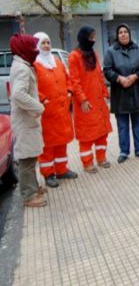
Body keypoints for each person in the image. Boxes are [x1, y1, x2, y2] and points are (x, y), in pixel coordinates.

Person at [33, 32, 77, 188]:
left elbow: (68, 78)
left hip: (63, 109)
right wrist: (43, 99)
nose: (46, 46)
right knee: (48, 146)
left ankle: (61, 169)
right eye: (43, 43)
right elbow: (33, 88)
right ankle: (48, 174)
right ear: (37, 45)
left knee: (62, 142)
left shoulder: (57, 61)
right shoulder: (35, 65)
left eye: (48, 42)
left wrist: (70, 91)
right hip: (47, 113)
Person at [9, 33, 47, 207]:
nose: (36, 51)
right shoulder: (22, 67)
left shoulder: (23, 64)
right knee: (26, 159)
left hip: (27, 120)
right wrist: (38, 107)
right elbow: (18, 94)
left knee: (31, 156)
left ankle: (34, 187)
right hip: (25, 121)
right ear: (25, 49)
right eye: (33, 47)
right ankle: (28, 195)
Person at [103, 24, 139, 163]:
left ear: (129, 34)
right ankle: (124, 151)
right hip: (120, 93)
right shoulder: (111, 51)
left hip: (136, 92)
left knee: (137, 124)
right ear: (117, 36)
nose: (123, 34)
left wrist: (135, 76)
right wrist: (119, 78)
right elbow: (107, 70)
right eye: (120, 32)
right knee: (122, 126)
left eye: (125, 32)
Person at [69, 26, 112, 173]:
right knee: (87, 136)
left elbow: (100, 76)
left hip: (99, 102)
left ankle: (101, 158)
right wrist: (83, 100)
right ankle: (87, 163)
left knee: (101, 133)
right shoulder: (74, 56)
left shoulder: (93, 54)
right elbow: (74, 81)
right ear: (83, 37)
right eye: (91, 37)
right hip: (86, 103)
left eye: (94, 37)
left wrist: (106, 94)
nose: (93, 40)